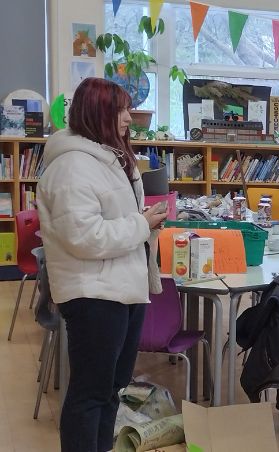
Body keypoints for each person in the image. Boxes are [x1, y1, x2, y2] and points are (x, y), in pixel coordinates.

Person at [37, 77, 168, 452]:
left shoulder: (109, 157)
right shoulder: (72, 166)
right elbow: (85, 237)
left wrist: (140, 220)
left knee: (112, 389)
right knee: (91, 392)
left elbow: (109, 218)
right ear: (99, 114)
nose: (129, 117)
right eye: (121, 110)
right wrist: (142, 224)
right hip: (93, 294)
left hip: (122, 289)